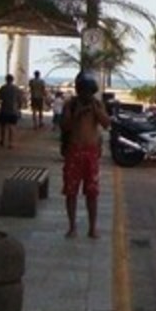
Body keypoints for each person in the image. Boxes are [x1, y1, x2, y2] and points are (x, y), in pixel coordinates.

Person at [61, 72, 110, 238]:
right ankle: (72, 226)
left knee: (92, 192)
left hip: (91, 152)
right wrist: (78, 114)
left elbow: (106, 124)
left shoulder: (97, 104)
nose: (86, 95)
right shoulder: (71, 105)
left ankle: (92, 228)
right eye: (84, 91)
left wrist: (97, 111)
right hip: (74, 151)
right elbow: (65, 126)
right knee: (71, 191)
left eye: (89, 91)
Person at [0, 73, 23, 149]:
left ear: (6, 80)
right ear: (12, 80)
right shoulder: (16, 89)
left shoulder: (2, 88)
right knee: (12, 127)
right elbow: (20, 100)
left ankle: (2, 140)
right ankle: (11, 143)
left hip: (4, 110)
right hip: (13, 110)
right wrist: (19, 109)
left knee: (3, 126)